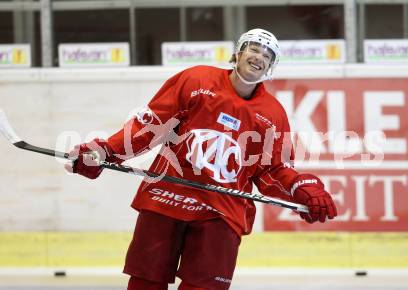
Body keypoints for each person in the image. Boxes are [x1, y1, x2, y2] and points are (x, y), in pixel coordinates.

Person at [66, 28, 337, 290]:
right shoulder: (196, 80)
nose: (259, 57)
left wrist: (302, 187)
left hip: (222, 209)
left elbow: (273, 169)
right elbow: (149, 127)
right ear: (238, 53)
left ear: (270, 68)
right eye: (254, 49)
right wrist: (104, 152)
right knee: (146, 281)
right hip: (166, 195)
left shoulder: (272, 114)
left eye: (268, 56)